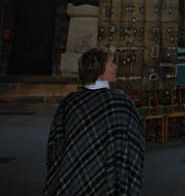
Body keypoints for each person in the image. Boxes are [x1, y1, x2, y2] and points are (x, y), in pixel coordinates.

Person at [43, 47, 144, 195]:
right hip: (111, 180)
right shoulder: (121, 103)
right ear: (100, 70)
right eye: (111, 64)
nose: (115, 67)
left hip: (72, 180)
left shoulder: (70, 102)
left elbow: (55, 146)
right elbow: (135, 144)